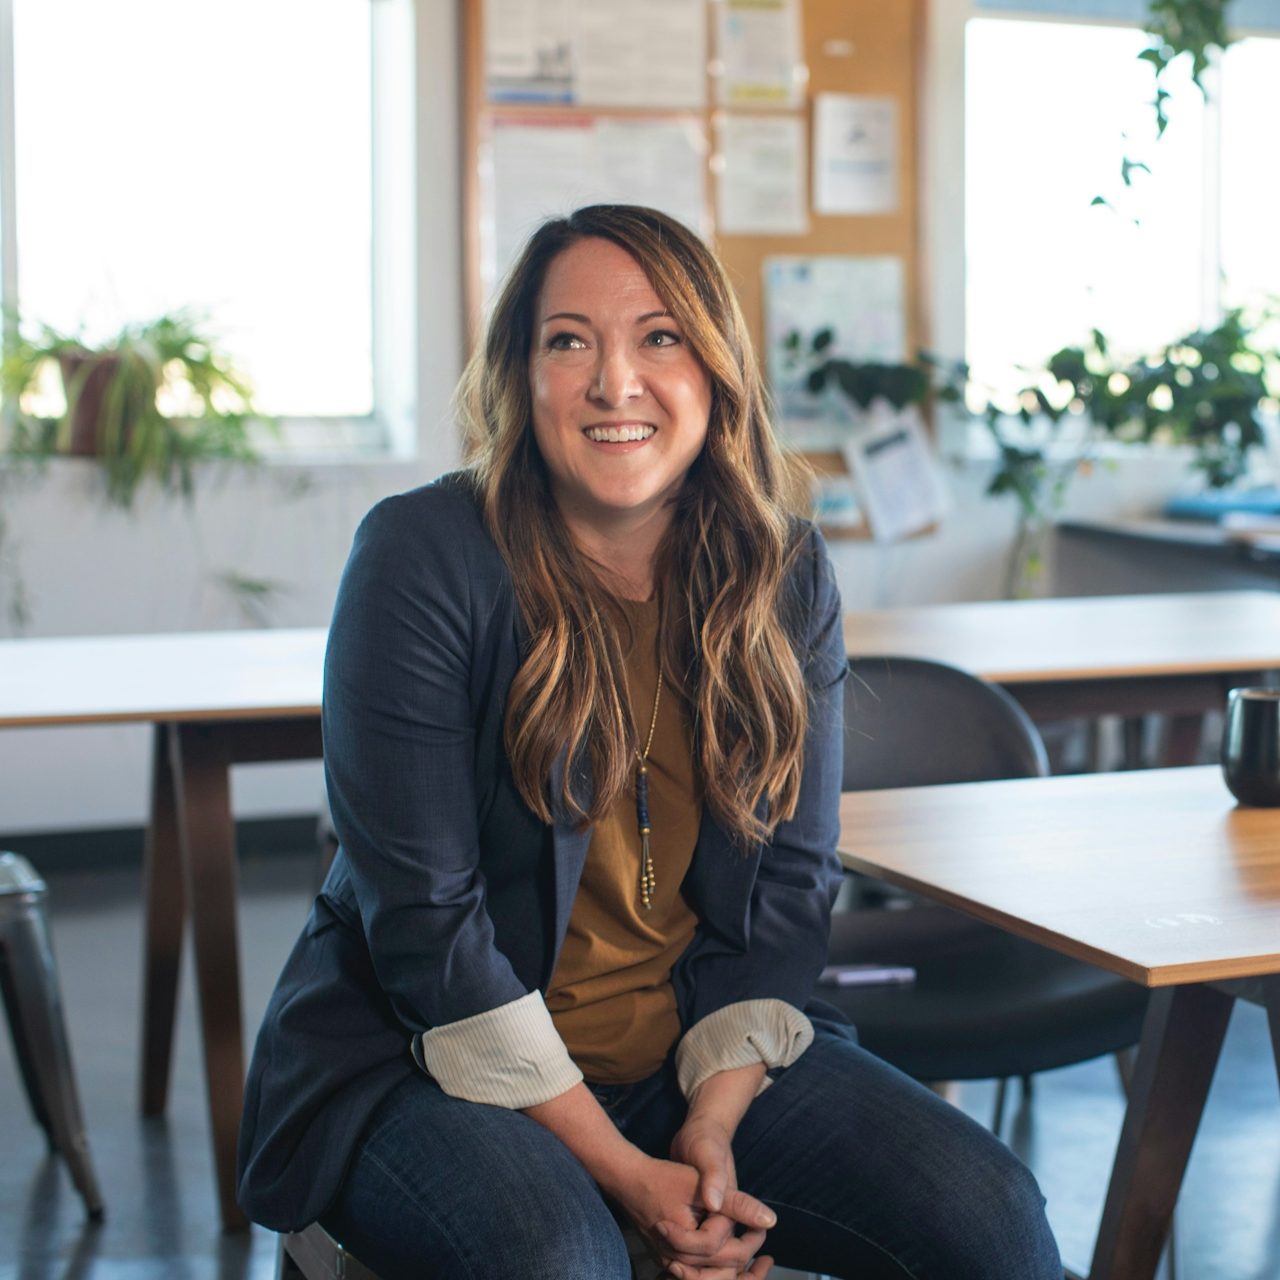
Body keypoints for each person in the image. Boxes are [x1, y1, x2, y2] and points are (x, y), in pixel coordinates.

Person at [237, 204, 1062, 1280]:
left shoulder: (783, 571)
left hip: (690, 1055)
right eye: (568, 340)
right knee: (561, 1257)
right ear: (521, 377)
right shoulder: (422, 554)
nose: (614, 382)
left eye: (659, 337)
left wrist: (710, 1131)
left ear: (715, 369)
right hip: (424, 1061)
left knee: (992, 1217)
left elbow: (789, 889)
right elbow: (426, 928)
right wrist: (631, 1180)